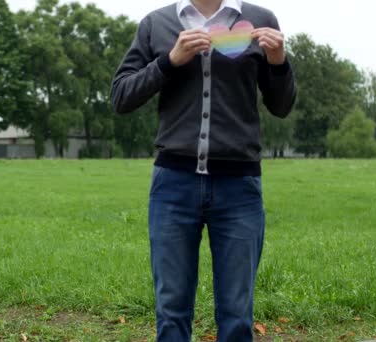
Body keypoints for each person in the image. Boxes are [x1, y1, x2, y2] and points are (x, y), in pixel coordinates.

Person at [110, 0, 297, 341]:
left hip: (239, 187)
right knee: (171, 310)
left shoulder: (258, 21)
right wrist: (169, 61)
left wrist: (278, 62)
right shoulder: (157, 24)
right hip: (173, 187)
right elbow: (121, 96)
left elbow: (281, 106)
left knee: (238, 314)